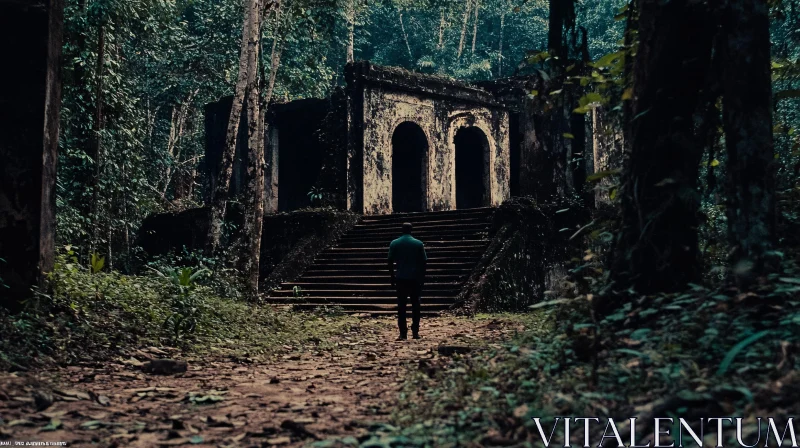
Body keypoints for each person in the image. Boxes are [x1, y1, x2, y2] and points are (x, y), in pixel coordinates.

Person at [388, 222, 427, 340]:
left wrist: (392, 276)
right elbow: (424, 262)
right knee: (416, 305)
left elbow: (389, 261)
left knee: (401, 307)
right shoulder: (418, 243)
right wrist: (422, 277)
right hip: (415, 279)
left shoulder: (395, 243)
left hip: (401, 278)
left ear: (402, 230)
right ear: (411, 230)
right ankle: (415, 332)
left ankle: (403, 333)